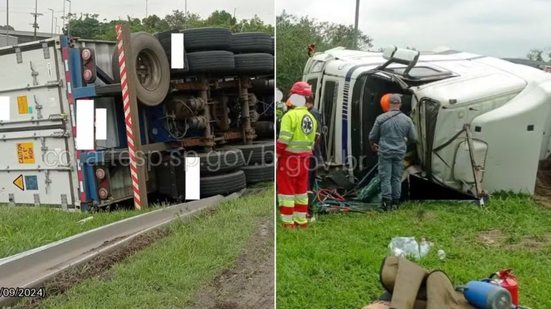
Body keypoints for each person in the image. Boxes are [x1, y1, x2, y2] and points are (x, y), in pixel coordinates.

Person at [277, 81, 318, 228]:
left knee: (287, 192)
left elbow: (283, 140)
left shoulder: (290, 116)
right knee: (301, 191)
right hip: (305, 159)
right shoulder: (311, 118)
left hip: (289, 159)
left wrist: (276, 155)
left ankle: (288, 223)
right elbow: (312, 142)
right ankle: (301, 221)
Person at [368, 94, 417, 211]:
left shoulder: (380, 118)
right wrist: (404, 140)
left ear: (388, 104)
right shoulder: (407, 120)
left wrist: (373, 146)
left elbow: (372, 136)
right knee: (396, 177)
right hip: (400, 153)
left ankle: (386, 203)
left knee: (385, 177)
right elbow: (414, 138)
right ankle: (396, 203)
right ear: (399, 104)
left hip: (385, 152)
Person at [305, 96, 323, 215]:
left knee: (309, 182)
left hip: (311, 153)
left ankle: (309, 209)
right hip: (310, 153)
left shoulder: (313, 113)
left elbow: (317, 136)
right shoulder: (310, 112)